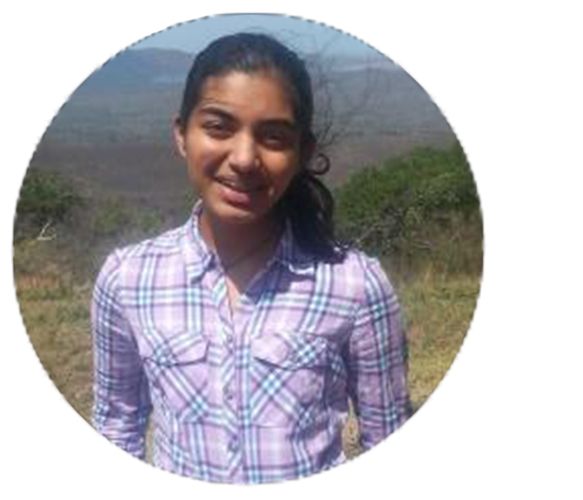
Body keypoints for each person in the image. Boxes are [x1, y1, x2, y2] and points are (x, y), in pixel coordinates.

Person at [91, 32, 412, 484]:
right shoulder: (129, 280)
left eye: (274, 137)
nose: (244, 158)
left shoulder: (354, 285)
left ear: (303, 152)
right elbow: (116, 428)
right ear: (182, 135)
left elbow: (390, 440)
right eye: (218, 127)